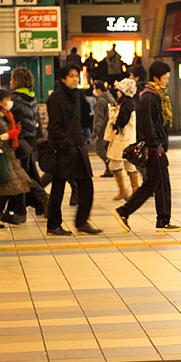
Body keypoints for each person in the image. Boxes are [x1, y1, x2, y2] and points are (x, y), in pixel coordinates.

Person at [112, 60, 180, 232]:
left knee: (150, 184)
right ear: (156, 78)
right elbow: (147, 124)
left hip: (156, 146)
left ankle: (124, 212)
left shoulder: (155, 94)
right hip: (154, 148)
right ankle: (163, 221)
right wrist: (155, 145)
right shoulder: (150, 96)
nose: (167, 80)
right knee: (162, 183)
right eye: (165, 78)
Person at [46, 63, 102, 236]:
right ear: (63, 79)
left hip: (78, 147)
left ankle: (82, 221)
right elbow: (54, 127)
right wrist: (64, 145)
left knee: (87, 185)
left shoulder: (77, 95)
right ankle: (53, 225)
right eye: (71, 76)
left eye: (77, 76)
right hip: (63, 150)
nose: (75, 79)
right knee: (58, 188)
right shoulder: (55, 99)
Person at [0, 89, 32, 228]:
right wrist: (6, 136)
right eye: (7, 99)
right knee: (0, 189)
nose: (10, 102)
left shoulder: (6, 115)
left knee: (8, 188)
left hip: (8, 156)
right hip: (0, 157)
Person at [9, 67, 48, 219]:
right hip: (30, 140)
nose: (10, 82)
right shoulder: (32, 98)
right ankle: (28, 208)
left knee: (21, 173)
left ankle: (42, 197)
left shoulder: (15, 100)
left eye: (12, 79)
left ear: (17, 81)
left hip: (19, 140)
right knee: (27, 172)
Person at [107, 78, 139, 200]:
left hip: (123, 141)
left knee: (114, 165)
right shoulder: (130, 104)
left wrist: (112, 115)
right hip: (128, 139)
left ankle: (124, 191)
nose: (117, 92)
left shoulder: (126, 105)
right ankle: (132, 190)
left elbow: (121, 122)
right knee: (129, 165)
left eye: (119, 90)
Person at [92, 80, 116, 178]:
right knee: (106, 149)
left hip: (103, 129)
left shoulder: (101, 100)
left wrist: (95, 131)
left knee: (99, 149)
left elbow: (99, 117)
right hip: (110, 128)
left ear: (98, 89)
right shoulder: (111, 98)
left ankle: (111, 166)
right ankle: (108, 170)